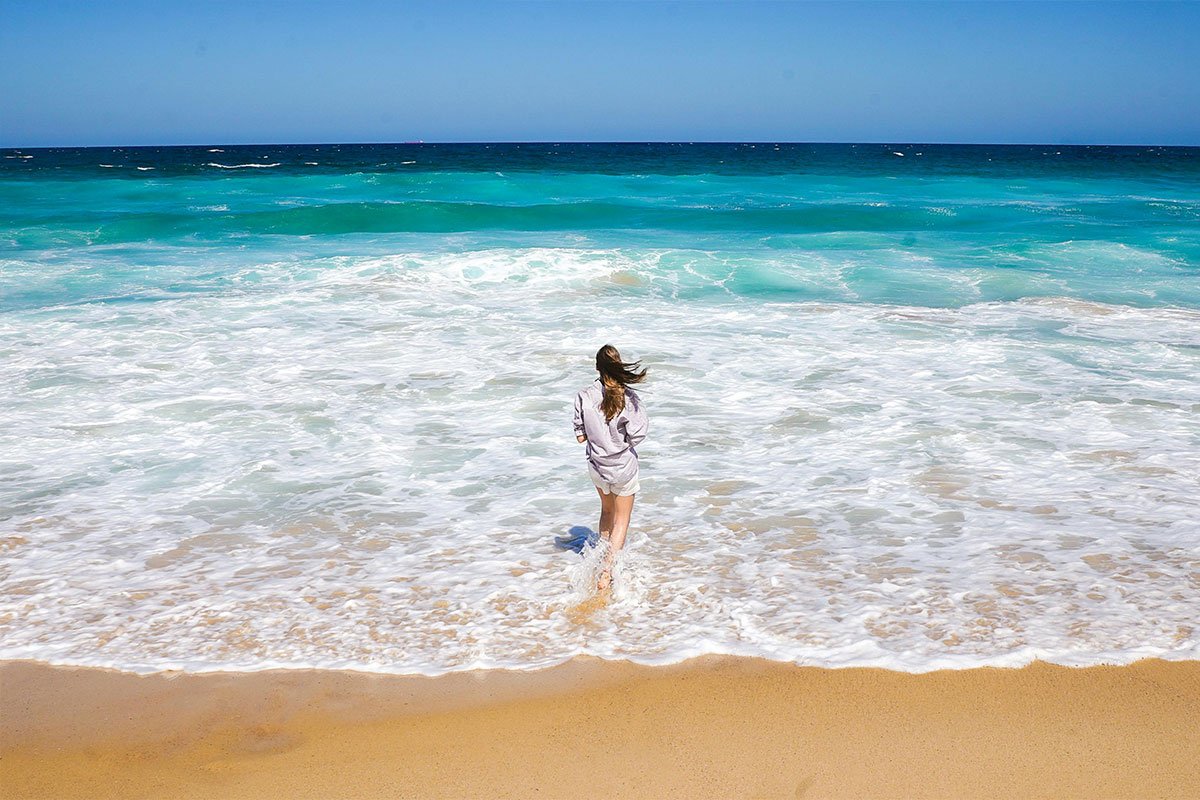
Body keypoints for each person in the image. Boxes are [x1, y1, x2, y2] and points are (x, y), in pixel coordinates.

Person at [572, 344, 649, 591]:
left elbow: (580, 437)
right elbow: (637, 436)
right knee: (622, 519)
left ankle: (598, 560)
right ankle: (607, 571)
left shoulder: (584, 395)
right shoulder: (629, 398)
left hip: (597, 466)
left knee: (606, 512)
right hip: (623, 467)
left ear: (597, 367)